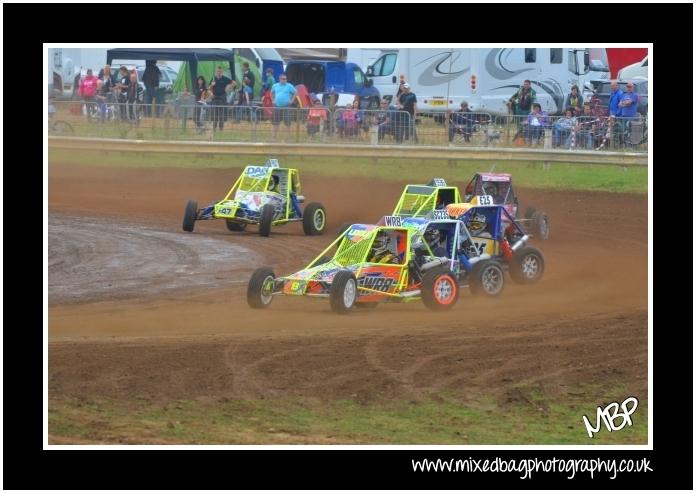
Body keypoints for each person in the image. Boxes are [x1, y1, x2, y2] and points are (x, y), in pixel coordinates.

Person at [270, 73, 297, 140]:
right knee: (275, 123)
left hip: (286, 106)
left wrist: (292, 100)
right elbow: (271, 93)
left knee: (288, 123)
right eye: (283, 79)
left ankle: (287, 138)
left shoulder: (289, 86)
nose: (284, 80)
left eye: (285, 79)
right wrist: (273, 100)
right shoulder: (275, 86)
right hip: (277, 106)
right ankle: (273, 137)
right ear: (280, 79)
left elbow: (296, 92)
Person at [209, 66, 233, 132]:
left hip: (222, 98)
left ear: (222, 72)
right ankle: (214, 129)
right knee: (214, 114)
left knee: (221, 115)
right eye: (218, 71)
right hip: (215, 98)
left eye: (220, 71)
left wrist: (228, 88)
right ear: (216, 72)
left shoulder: (225, 79)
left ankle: (221, 129)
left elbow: (233, 83)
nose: (219, 73)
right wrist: (211, 86)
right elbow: (209, 88)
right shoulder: (213, 79)